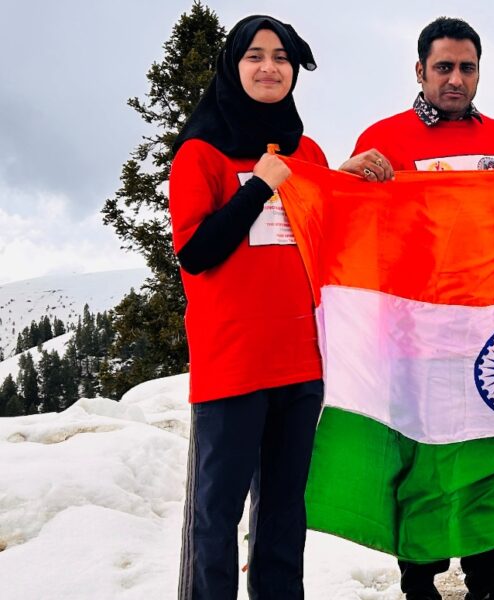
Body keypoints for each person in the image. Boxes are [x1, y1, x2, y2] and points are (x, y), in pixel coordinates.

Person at [343, 17, 494, 600]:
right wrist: (345, 178)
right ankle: (418, 581)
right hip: (414, 333)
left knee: (483, 455)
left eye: (467, 68)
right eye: (444, 67)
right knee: (420, 458)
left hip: (486, 328)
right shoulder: (383, 137)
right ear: (420, 70)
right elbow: (350, 224)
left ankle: (485, 579)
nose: (456, 79)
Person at [169, 15, 326, 600]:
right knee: (216, 517)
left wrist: (348, 180)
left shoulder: (307, 152)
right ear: (233, 67)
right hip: (232, 365)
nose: (269, 67)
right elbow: (196, 253)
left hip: (301, 363)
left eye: (281, 57)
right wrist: (257, 186)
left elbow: (328, 230)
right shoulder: (200, 154)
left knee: (284, 515)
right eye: (255, 55)